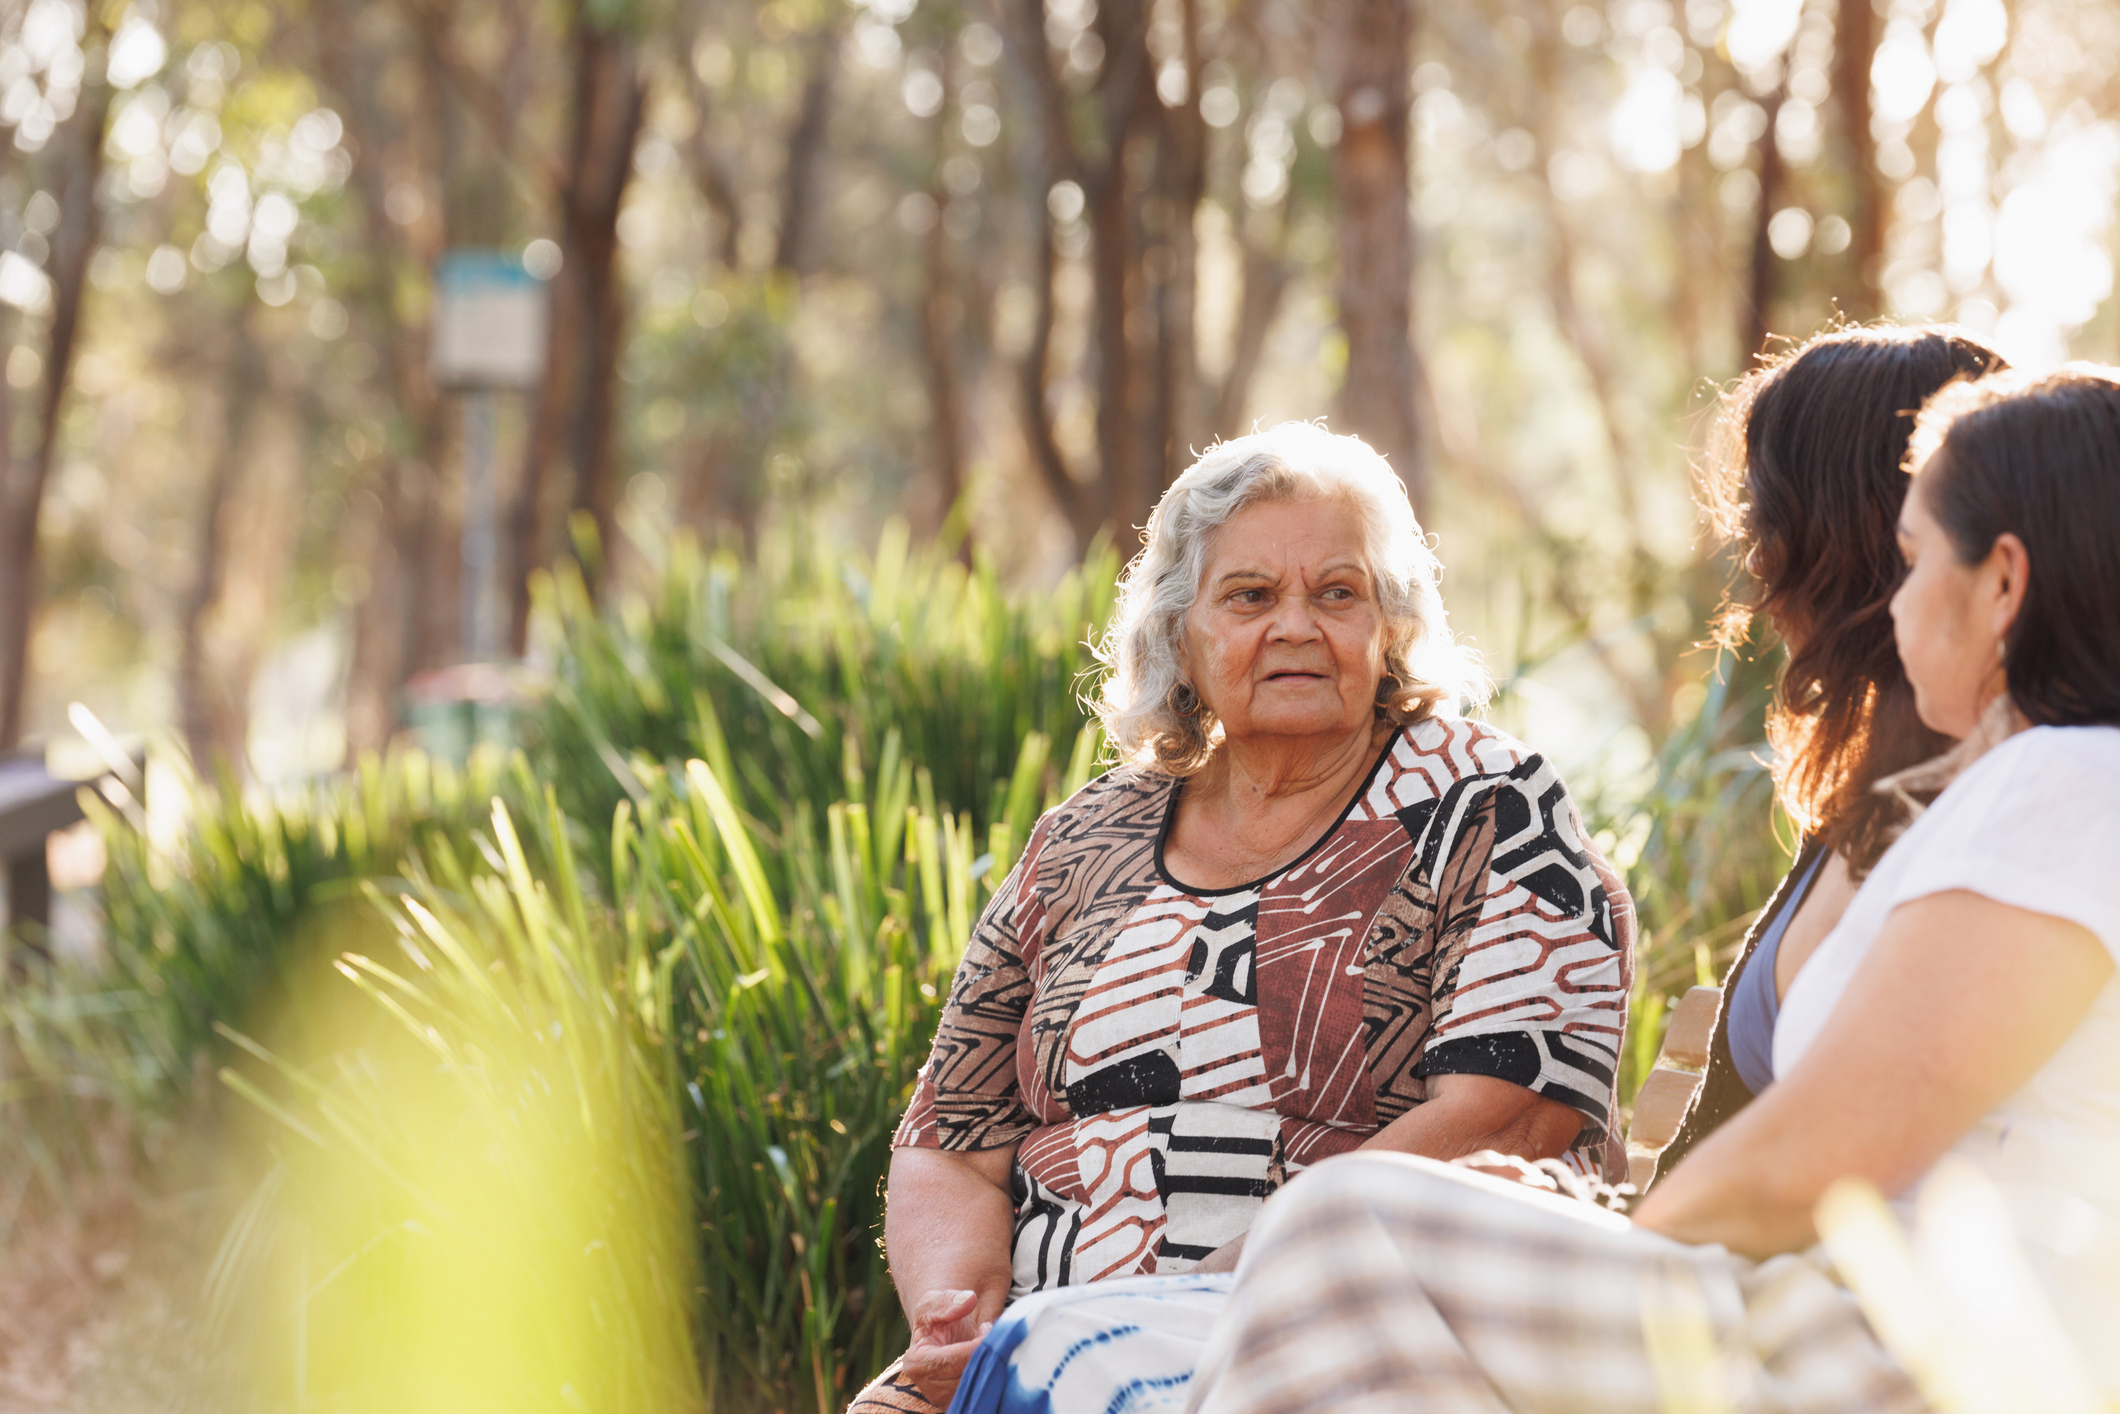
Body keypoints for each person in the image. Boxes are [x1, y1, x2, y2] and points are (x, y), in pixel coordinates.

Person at [1172, 364, 2120, 1413]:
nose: (1890, 602)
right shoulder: (2021, 791)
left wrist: (1601, 1244)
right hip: (1853, 1312)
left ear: (2000, 583)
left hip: (1917, 1343)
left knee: (1342, 1225)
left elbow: (1818, 1155)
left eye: (1910, 561)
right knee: (1372, 1308)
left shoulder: (2064, 778)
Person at [848, 422, 1636, 1414]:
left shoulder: (1484, 802)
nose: (1297, 625)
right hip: (1045, 1346)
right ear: (1180, 630)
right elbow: (951, 1136)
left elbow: (1512, 1113)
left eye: (1337, 593)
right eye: (1251, 595)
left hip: (1340, 1337)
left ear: (1388, 625)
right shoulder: (1083, 840)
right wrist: (957, 1321)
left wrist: (1176, 1296)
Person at [1654, 324, 2004, 1180]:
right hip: (1684, 1254)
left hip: (1753, 1289)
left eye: (1765, 518)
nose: (1753, 559)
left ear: (1835, 539)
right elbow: (1714, 1138)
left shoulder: (1980, 816)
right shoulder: (1861, 799)